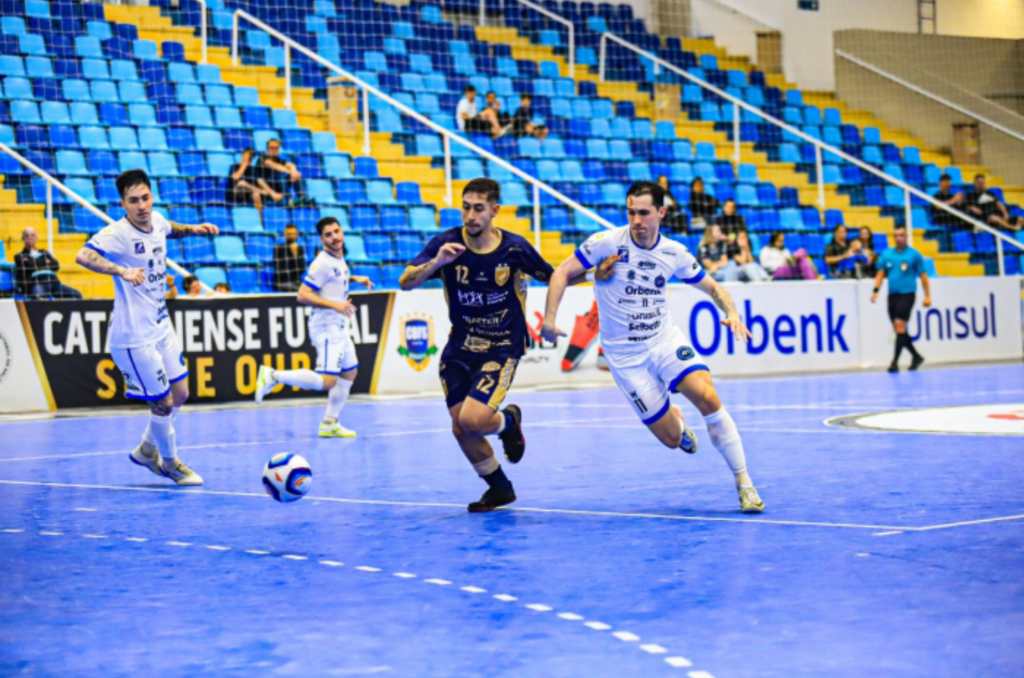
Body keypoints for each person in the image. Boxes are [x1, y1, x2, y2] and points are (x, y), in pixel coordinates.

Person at [541, 180, 765, 513]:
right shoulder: (604, 243)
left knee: (706, 394)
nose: (636, 220)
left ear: (661, 213)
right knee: (672, 439)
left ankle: (744, 483)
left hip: (664, 341)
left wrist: (731, 312)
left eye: (644, 213)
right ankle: (677, 423)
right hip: (625, 357)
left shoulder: (674, 253)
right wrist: (550, 318)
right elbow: (560, 274)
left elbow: (713, 287)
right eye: (630, 212)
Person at [397, 178, 592, 513]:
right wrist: (437, 263)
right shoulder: (446, 244)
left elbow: (553, 275)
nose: (470, 215)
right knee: (461, 428)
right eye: (466, 207)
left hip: (502, 348)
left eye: (478, 208)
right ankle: (500, 489)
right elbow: (406, 282)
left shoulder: (514, 248)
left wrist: (594, 275)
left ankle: (509, 422)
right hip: (459, 350)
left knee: (473, 421)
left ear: (494, 211)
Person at [74, 169, 218, 485]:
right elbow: (82, 256)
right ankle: (169, 463)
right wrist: (121, 271)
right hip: (133, 337)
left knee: (180, 393)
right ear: (123, 204)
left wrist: (194, 229)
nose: (141, 206)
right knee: (162, 402)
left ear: (151, 196)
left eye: (145, 198)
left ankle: (145, 450)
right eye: (133, 201)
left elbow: (169, 230)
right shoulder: (118, 233)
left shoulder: (158, 219)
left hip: (161, 326)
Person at [254, 216, 375, 436]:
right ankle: (273, 376)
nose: (335, 237)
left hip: (337, 326)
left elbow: (336, 278)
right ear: (321, 239)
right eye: (328, 234)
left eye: (337, 231)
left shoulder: (337, 257)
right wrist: (335, 305)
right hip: (326, 326)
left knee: (350, 372)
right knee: (328, 380)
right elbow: (303, 295)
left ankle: (330, 423)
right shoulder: (322, 263)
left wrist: (356, 279)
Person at [871, 224, 931, 373]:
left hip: (907, 294)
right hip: (892, 296)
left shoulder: (914, 255)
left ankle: (894, 363)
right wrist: (875, 291)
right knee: (899, 330)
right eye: (896, 235)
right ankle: (916, 356)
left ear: (906, 236)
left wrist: (927, 296)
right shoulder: (887, 255)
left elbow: (923, 277)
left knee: (899, 325)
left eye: (901, 235)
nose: (899, 238)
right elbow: (880, 274)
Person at [14, 227, 82, 299]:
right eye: (27, 235)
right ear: (23, 238)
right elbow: (30, 266)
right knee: (37, 296)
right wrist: (45, 262)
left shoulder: (44, 252)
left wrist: (33, 261)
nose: (30, 237)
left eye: (32, 235)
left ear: (36, 237)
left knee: (77, 294)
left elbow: (56, 265)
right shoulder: (19, 256)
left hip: (54, 282)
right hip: (38, 283)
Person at [258, 138, 310, 206]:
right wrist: (290, 172)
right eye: (272, 148)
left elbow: (291, 165)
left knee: (297, 175)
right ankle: (290, 200)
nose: (274, 150)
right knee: (278, 174)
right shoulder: (263, 158)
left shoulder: (279, 160)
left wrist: (294, 171)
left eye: (276, 148)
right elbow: (274, 166)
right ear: (267, 149)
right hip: (267, 188)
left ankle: (303, 198)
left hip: (279, 186)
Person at [273, 224, 306, 292]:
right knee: (300, 291)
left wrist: (295, 254)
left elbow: (302, 269)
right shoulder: (278, 249)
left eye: (292, 234)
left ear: (297, 235)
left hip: (296, 281)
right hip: (282, 282)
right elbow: (280, 270)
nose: (290, 236)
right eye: (288, 234)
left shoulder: (300, 249)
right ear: (285, 235)